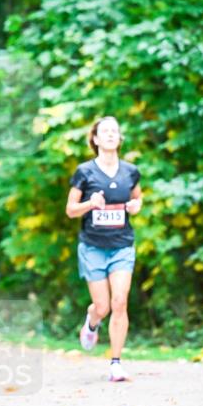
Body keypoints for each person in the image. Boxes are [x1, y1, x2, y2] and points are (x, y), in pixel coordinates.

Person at [65, 116, 142, 382]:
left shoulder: (130, 171)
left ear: (119, 138)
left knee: (120, 302)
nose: (110, 134)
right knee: (103, 306)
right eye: (104, 131)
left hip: (122, 245)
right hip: (93, 247)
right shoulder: (84, 172)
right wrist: (90, 203)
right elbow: (70, 210)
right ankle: (92, 320)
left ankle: (116, 363)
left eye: (115, 131)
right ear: (95, 139)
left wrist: (136, 206)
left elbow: (137, 198)